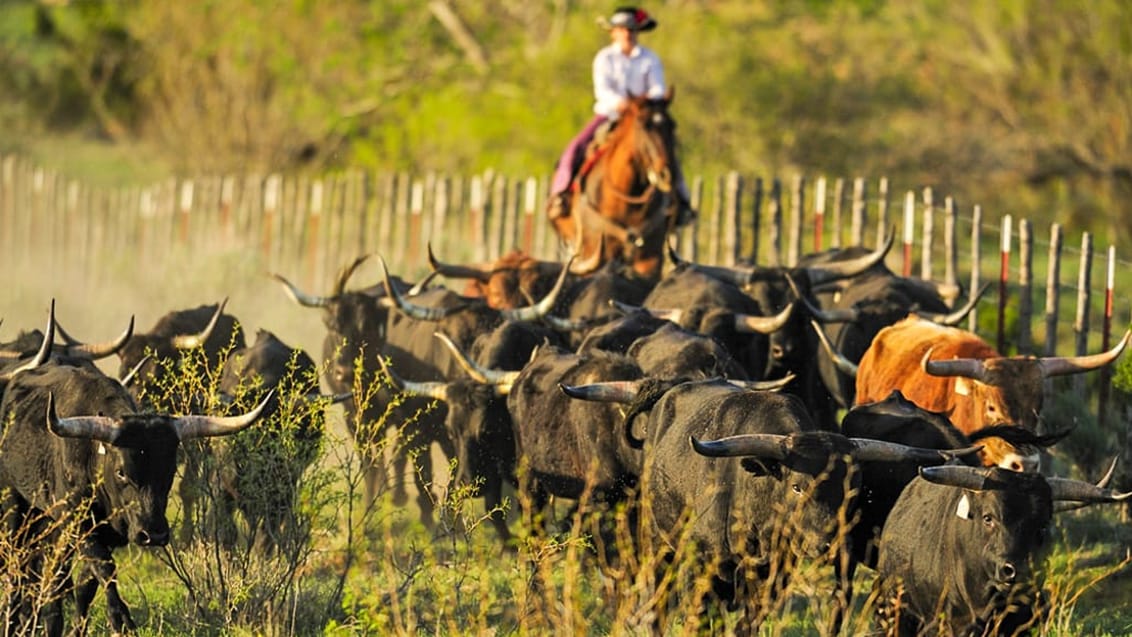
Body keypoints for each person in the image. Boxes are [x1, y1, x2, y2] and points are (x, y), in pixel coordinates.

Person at [546, 6, 695, 227]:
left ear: (638, 33)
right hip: (610, 114)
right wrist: (623, 103)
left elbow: (657, 89)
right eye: (623, 29)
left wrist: (643, 104)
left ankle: (682, 202)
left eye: (632, 30)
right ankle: (561, 194)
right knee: (576, 148)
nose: (627, 34)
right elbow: (603, 91)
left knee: (666, 151)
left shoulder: (649, 59)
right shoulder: (604, 58)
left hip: (643, 116)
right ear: (613, 32)